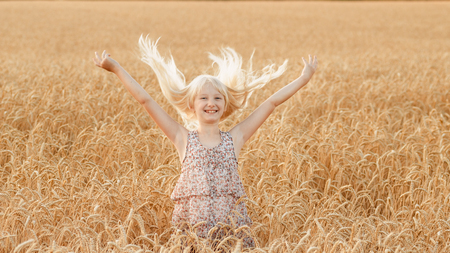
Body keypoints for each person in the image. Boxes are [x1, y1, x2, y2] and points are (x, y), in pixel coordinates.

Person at [93, 36, 318, 249]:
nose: (211, 103)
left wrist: (304, 79)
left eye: (217, 98)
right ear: (191, 105)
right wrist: (116, 69)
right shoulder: (182, 138)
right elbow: (146, 100)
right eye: (204, 98)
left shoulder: (235, 138)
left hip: (231, 237)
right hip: (192, 235)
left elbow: (271, 103)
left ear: (225, 104)